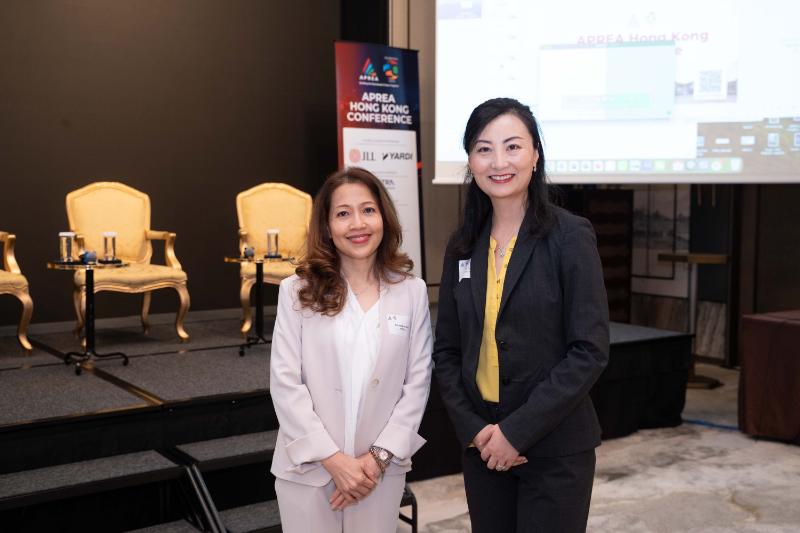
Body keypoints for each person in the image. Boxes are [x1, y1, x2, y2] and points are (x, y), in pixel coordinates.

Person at [433, 97, 609, 533]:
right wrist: (477, 431)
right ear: (471, 161)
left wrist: (516, 432)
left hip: (555, 450)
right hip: (483, 449)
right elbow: (448, 351)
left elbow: (589, 350)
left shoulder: (569, 236)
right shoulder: (462, 244)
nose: (499, 162)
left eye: (512, 146)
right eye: (484, 148)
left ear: (535, 155)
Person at [269, 167, 433, 533]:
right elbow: (285, 383)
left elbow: (417, 384)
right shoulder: (296, 291)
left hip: (378, 474)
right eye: (343, 213)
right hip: (309, 469)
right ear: (327, 227)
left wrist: (376, 460)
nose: (358, 223)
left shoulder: (412, 291)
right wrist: (334, 460)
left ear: (384, 217)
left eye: (368, 210)